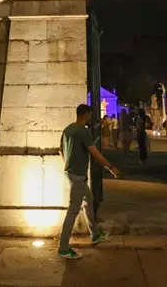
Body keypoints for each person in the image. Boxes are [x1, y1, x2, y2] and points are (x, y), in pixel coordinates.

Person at [58, 104, 120, 259]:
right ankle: (63, 247)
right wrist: (110, 167)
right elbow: (94, 153)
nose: (91, 119)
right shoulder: (83, 131)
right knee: (73, 211)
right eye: (90, 116)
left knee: (89, 201)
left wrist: (67, 165)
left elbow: (60, 150)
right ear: (85, 115)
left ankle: (95, 234)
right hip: (78, 175)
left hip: (71, 173)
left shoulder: (67, 129)